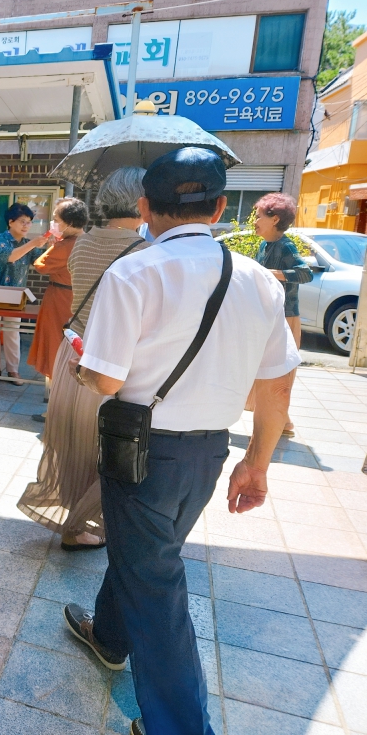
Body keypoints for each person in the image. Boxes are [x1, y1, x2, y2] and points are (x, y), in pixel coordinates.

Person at [64, 148, 300, 735]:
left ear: (145, 207)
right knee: (152, 556)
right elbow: (278, 386)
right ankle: (111, 635)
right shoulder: (259, 282)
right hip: (209, 452)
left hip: (140, 449)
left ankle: (178, 725)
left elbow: (108, 379)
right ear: (220, 207)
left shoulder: (135, 272)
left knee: (159, 583)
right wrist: (258, 463)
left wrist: (81, 365)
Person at [18, 168, 150, 551]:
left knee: (73, 441)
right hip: (114, 360)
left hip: (74, 352)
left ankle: (76, 524)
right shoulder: (145, 252)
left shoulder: (84, 242)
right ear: (143, 204)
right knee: (112, 445)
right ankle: (95, 523)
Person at [248, 192, 310, 438]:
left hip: (286, 319)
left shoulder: (286, 245)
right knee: (267, 374)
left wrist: (272, 273)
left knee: (277, 376)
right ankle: (282, 422)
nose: (255, 220)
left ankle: (279, 423)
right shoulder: (265, 244)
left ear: (274, 219)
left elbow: (305, 274)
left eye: (259, 215)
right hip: (270, 317)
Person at [27, 197, 88, 420]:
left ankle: (56, 409)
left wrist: (52, 243)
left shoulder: (65, 245)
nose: (53, 223)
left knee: (55, 351)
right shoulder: (88, 241)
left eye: (56, 219)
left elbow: (40, 265)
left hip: (60, 300)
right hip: (79, 301)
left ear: (69, 222)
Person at [0, 202, 50, 384]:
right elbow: (10, 256)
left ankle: (13, 371)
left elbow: (41, 263)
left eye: (29, 222)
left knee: (13, 332)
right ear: (11, 222)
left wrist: (52, 246)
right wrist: (34, 243)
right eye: (23, 222)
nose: (27, 226)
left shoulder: (27, 243)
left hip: (16, 295)